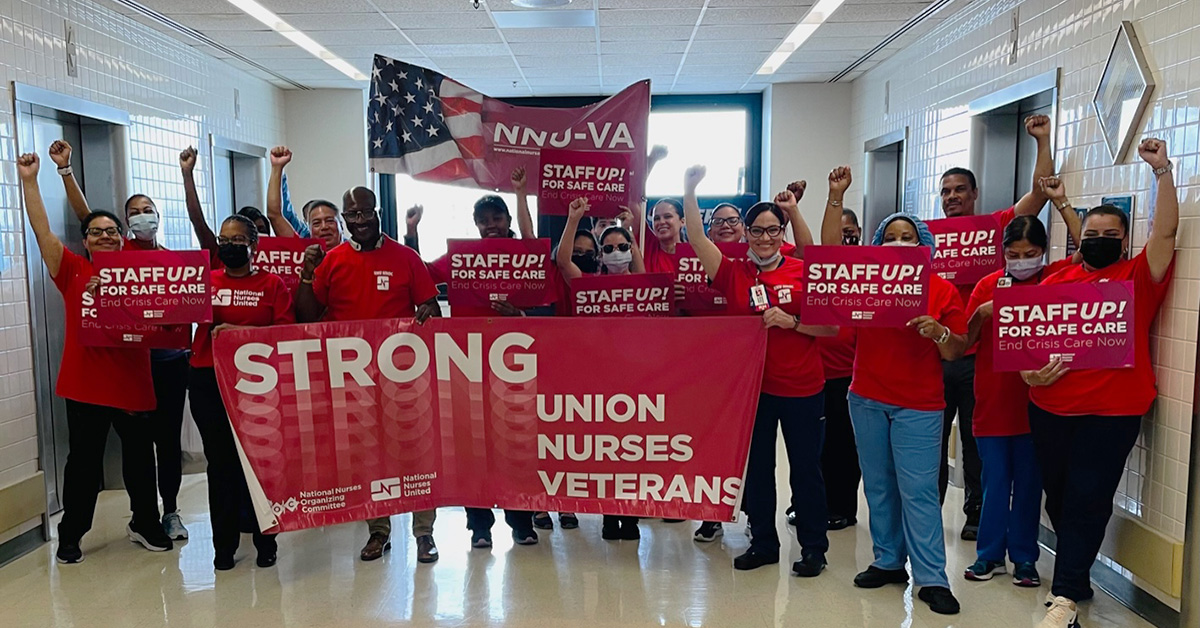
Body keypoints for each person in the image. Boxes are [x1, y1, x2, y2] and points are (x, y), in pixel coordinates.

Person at [1027, 139, 1177, 628]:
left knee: (1089, 497)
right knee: (1060, 496)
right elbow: (1026, 343)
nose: (1099, 239)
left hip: (1112, 412)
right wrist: (1029, 371)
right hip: (1049, 407)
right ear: (1079, 238)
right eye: (1091, 233)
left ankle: (1066, 596)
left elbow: (1167, 232)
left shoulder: (1138, 277)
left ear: (1124, 239)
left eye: (1111, 233)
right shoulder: (1054, 281)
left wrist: (1162, 173)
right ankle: (1078, 576)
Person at [823, 165, 967, 615]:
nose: (899, 243)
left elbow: (958, 350)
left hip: (919, 405)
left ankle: (931, 577)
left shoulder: (941, 291)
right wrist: (835, 196)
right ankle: (887, 560)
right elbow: (829, 258)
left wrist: (939, 332)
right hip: (865, 397)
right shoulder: (865, 286)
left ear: (924, 246)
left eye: (909, 237)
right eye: (891, 236)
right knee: (879, 485)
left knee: (919, 489)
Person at [18, 152, 173, 563]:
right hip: (85, 385)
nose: (105, 236)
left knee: (141, 461)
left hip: (133, 384)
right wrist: (30, 180)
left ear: (123, 238)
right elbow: (41, 230)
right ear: (84, 241)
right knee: (83, 464)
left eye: (112, 232)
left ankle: (146, 522)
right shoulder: (71, 270)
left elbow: (177, 304)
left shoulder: (142, 270)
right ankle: (71, 534)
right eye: (96, 232)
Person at [682, 165, 835, 575]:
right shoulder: (733, 273)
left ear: (781, 233)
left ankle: (813, 549)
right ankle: (763, 542)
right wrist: (691, 188)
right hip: (753, 392)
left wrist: (793, 322)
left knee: (806, 471)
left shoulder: (802, 270)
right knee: (759, 472)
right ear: (745, 234)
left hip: (803, 389)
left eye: (772, 230)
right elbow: (696, 237)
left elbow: (832, 327)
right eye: (757, 230)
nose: (764, 238)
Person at [51, 139, 190, 542]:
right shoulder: (120, 252)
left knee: (164, 443)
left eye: (148, 211)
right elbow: (88, 217)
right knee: (126, 449)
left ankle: (168, 513)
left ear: (159, 217)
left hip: (169, 360)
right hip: (133, 365)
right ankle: (118, 523)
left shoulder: (173, 261)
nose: (142, 218)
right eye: (134, 213)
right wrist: (65, 172)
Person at [295, 185, 443, 564]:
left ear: (377, 212)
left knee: (417, 453)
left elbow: (430, 307)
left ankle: (424, 533)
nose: (360, 220)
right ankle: (378, 532)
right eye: (353, 215)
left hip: (404, 377)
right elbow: (308, 317)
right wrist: (307, 277)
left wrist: (427, 313)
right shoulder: (333, 260)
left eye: (366, 212)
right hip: (354, 381)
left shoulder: (406, 257)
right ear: (345, 220)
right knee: (370, 457)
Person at [936, 114, 1055, 541]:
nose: (952, 197)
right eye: (945, 191)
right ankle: (929, 513)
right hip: (937, 353)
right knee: (931, 441)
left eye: (959, 190)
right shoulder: (927, 240)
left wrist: (1041, 140)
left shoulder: (995, 231)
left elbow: (1039, 195)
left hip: (979, 358)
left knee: (974, 442)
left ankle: (976, 513)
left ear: (974, 194)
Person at [962, 177, 1082, 588]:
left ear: (1044, 253)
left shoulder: (1054, 281)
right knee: (996, 482)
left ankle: (1025, 558)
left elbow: (1088, 254)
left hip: (1038, 403)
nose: (1022, 261)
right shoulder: (987, 285)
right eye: (1013, 254)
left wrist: (1063, 204)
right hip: (994, 399)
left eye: (1031, 254)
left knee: (1030, 484)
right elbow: (965, 340)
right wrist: (984, 312)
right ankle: (988, 554)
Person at [422, 170, 541, 547]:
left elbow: (536, 252)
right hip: (468, 365)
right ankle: (480, 529)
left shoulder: (525, 254)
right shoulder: (462, 257)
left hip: (516, 365)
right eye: (484, 220)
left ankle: (521, 524)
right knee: (474, 451)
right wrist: (411, 233)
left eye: (497, 218)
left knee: (517, 449)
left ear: (507, 221)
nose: (491, 225)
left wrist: (521, 193)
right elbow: (423, 275)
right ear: (475, 224)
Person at [189, 214, 293, 570]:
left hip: (257, 384)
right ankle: (223, 546)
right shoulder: (204, 281)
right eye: (224, 239)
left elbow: (284, 334)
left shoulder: (273, 285)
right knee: (220, 465)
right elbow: (171, 316)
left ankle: (267, 542)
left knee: (261, 464)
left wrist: (238, 333)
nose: (230, 246)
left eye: (238, 240)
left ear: (254, 244)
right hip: (208, 379)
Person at [815, 207, 863, 532]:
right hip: (817, 373)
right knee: (817, 446)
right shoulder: (819, 270)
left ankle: (843, 507)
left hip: (853, 374)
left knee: (845, 446)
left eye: (851, 230)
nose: (846, 236)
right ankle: (815, 503)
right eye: (840, 230)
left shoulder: (870, 270)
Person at [265, 146, 343, 250]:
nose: (324, 227)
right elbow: (274, 215)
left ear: (341, 225)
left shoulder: (355, 252)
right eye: (316, 223)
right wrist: (277, 168)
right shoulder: (303, 251)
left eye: (329, 221)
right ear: (309, 229)